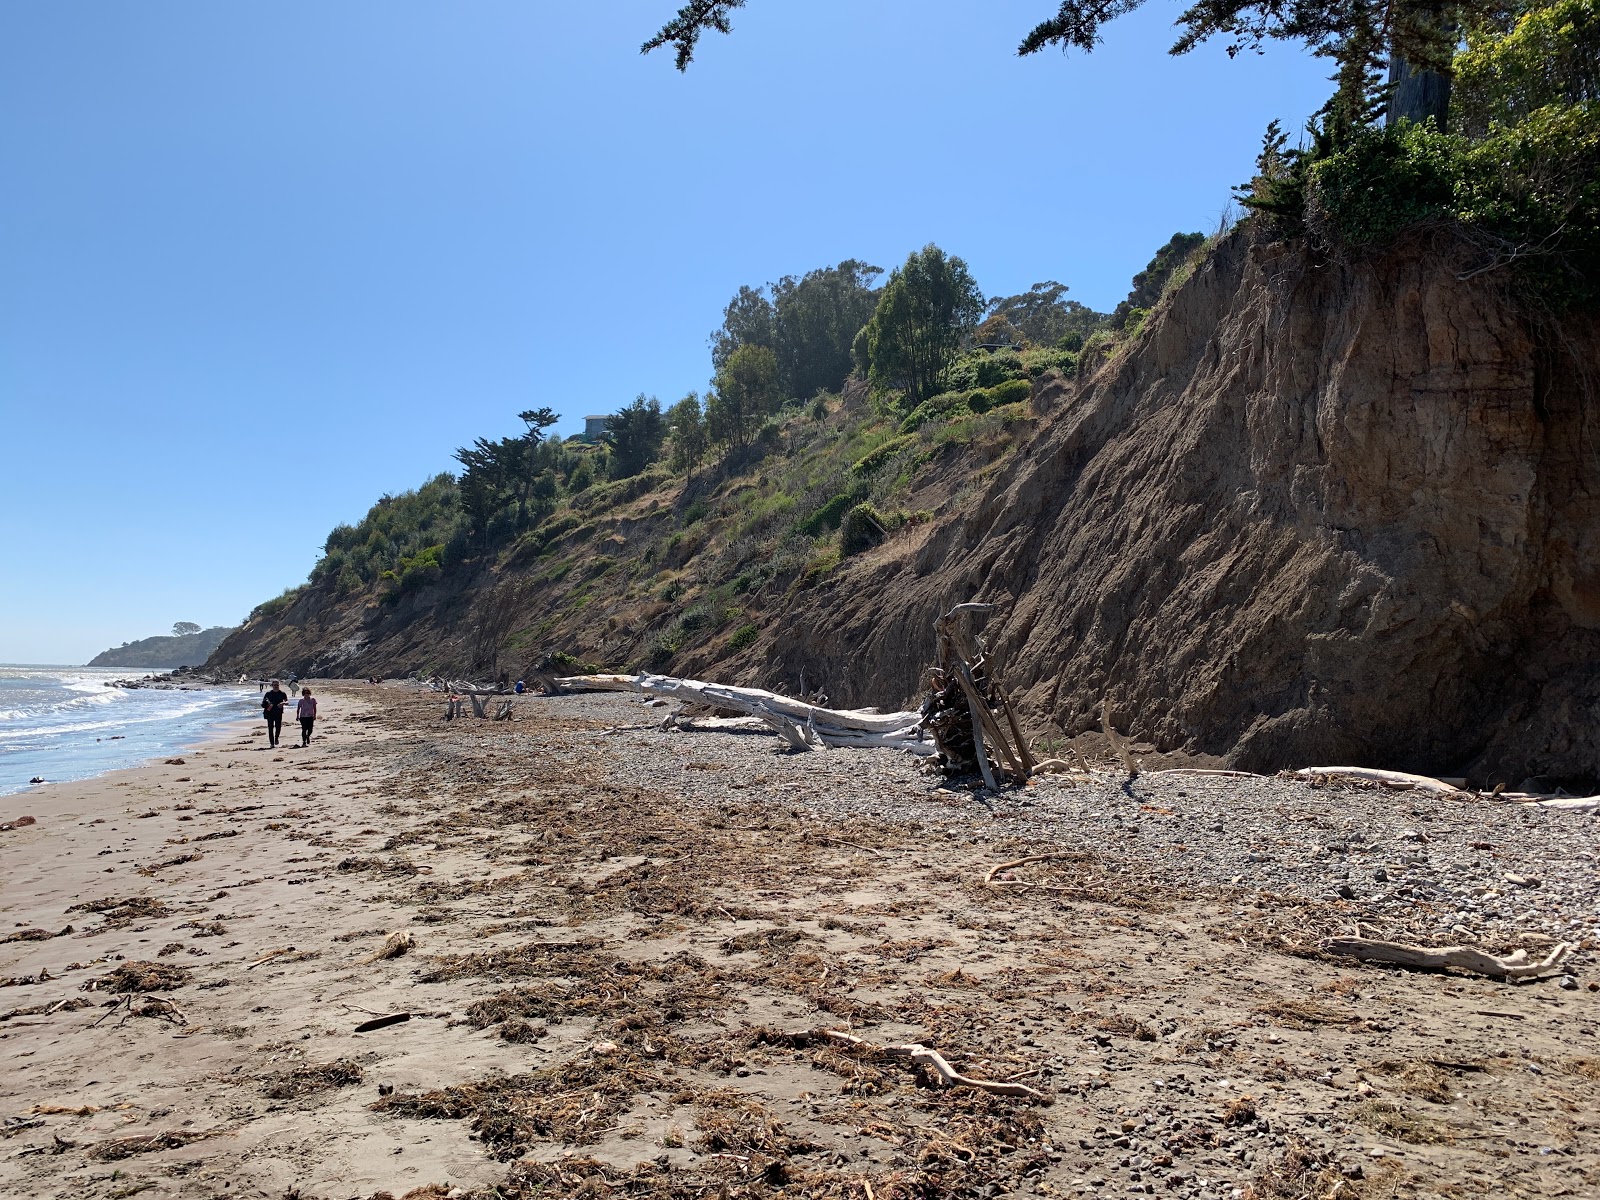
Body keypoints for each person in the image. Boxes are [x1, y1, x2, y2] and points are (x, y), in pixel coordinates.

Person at [262, 680, 289, 748]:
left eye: (277, 685)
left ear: (279, 685)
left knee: (278, 727)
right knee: (270, 728)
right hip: (269, 713)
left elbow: (287, 701)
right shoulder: (268, 693)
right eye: (274, 685)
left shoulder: (282, 693)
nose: (276, 686)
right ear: (272, 685)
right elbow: (263, 703)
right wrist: (266, 703)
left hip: (278, 712)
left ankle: (276, 738)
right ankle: (272, 743)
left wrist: (283, 703)